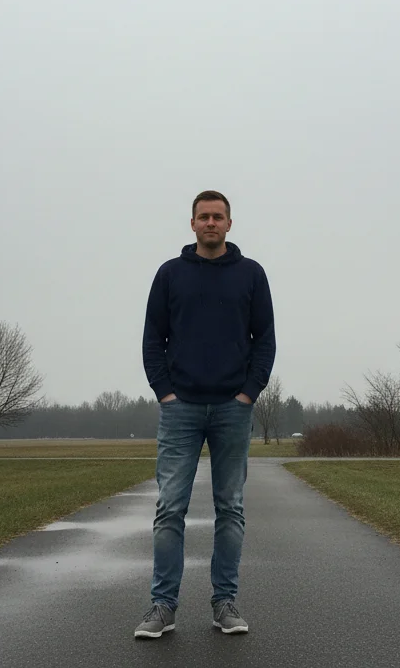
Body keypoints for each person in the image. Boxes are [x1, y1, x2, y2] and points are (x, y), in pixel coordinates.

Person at [134, 190, 276, 639]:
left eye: (218, 217)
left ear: (230, 224)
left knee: (229, 509)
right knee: (169, 509)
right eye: (203, 217)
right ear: (192, 224)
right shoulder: (170, 275)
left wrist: (249, 393)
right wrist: (165, 393)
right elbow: (153, 339)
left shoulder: (251, 275)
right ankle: (163, 606)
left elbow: (265, 339)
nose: (211, 223)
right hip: (181, 410)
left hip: (233, 410)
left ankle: (224, 603)